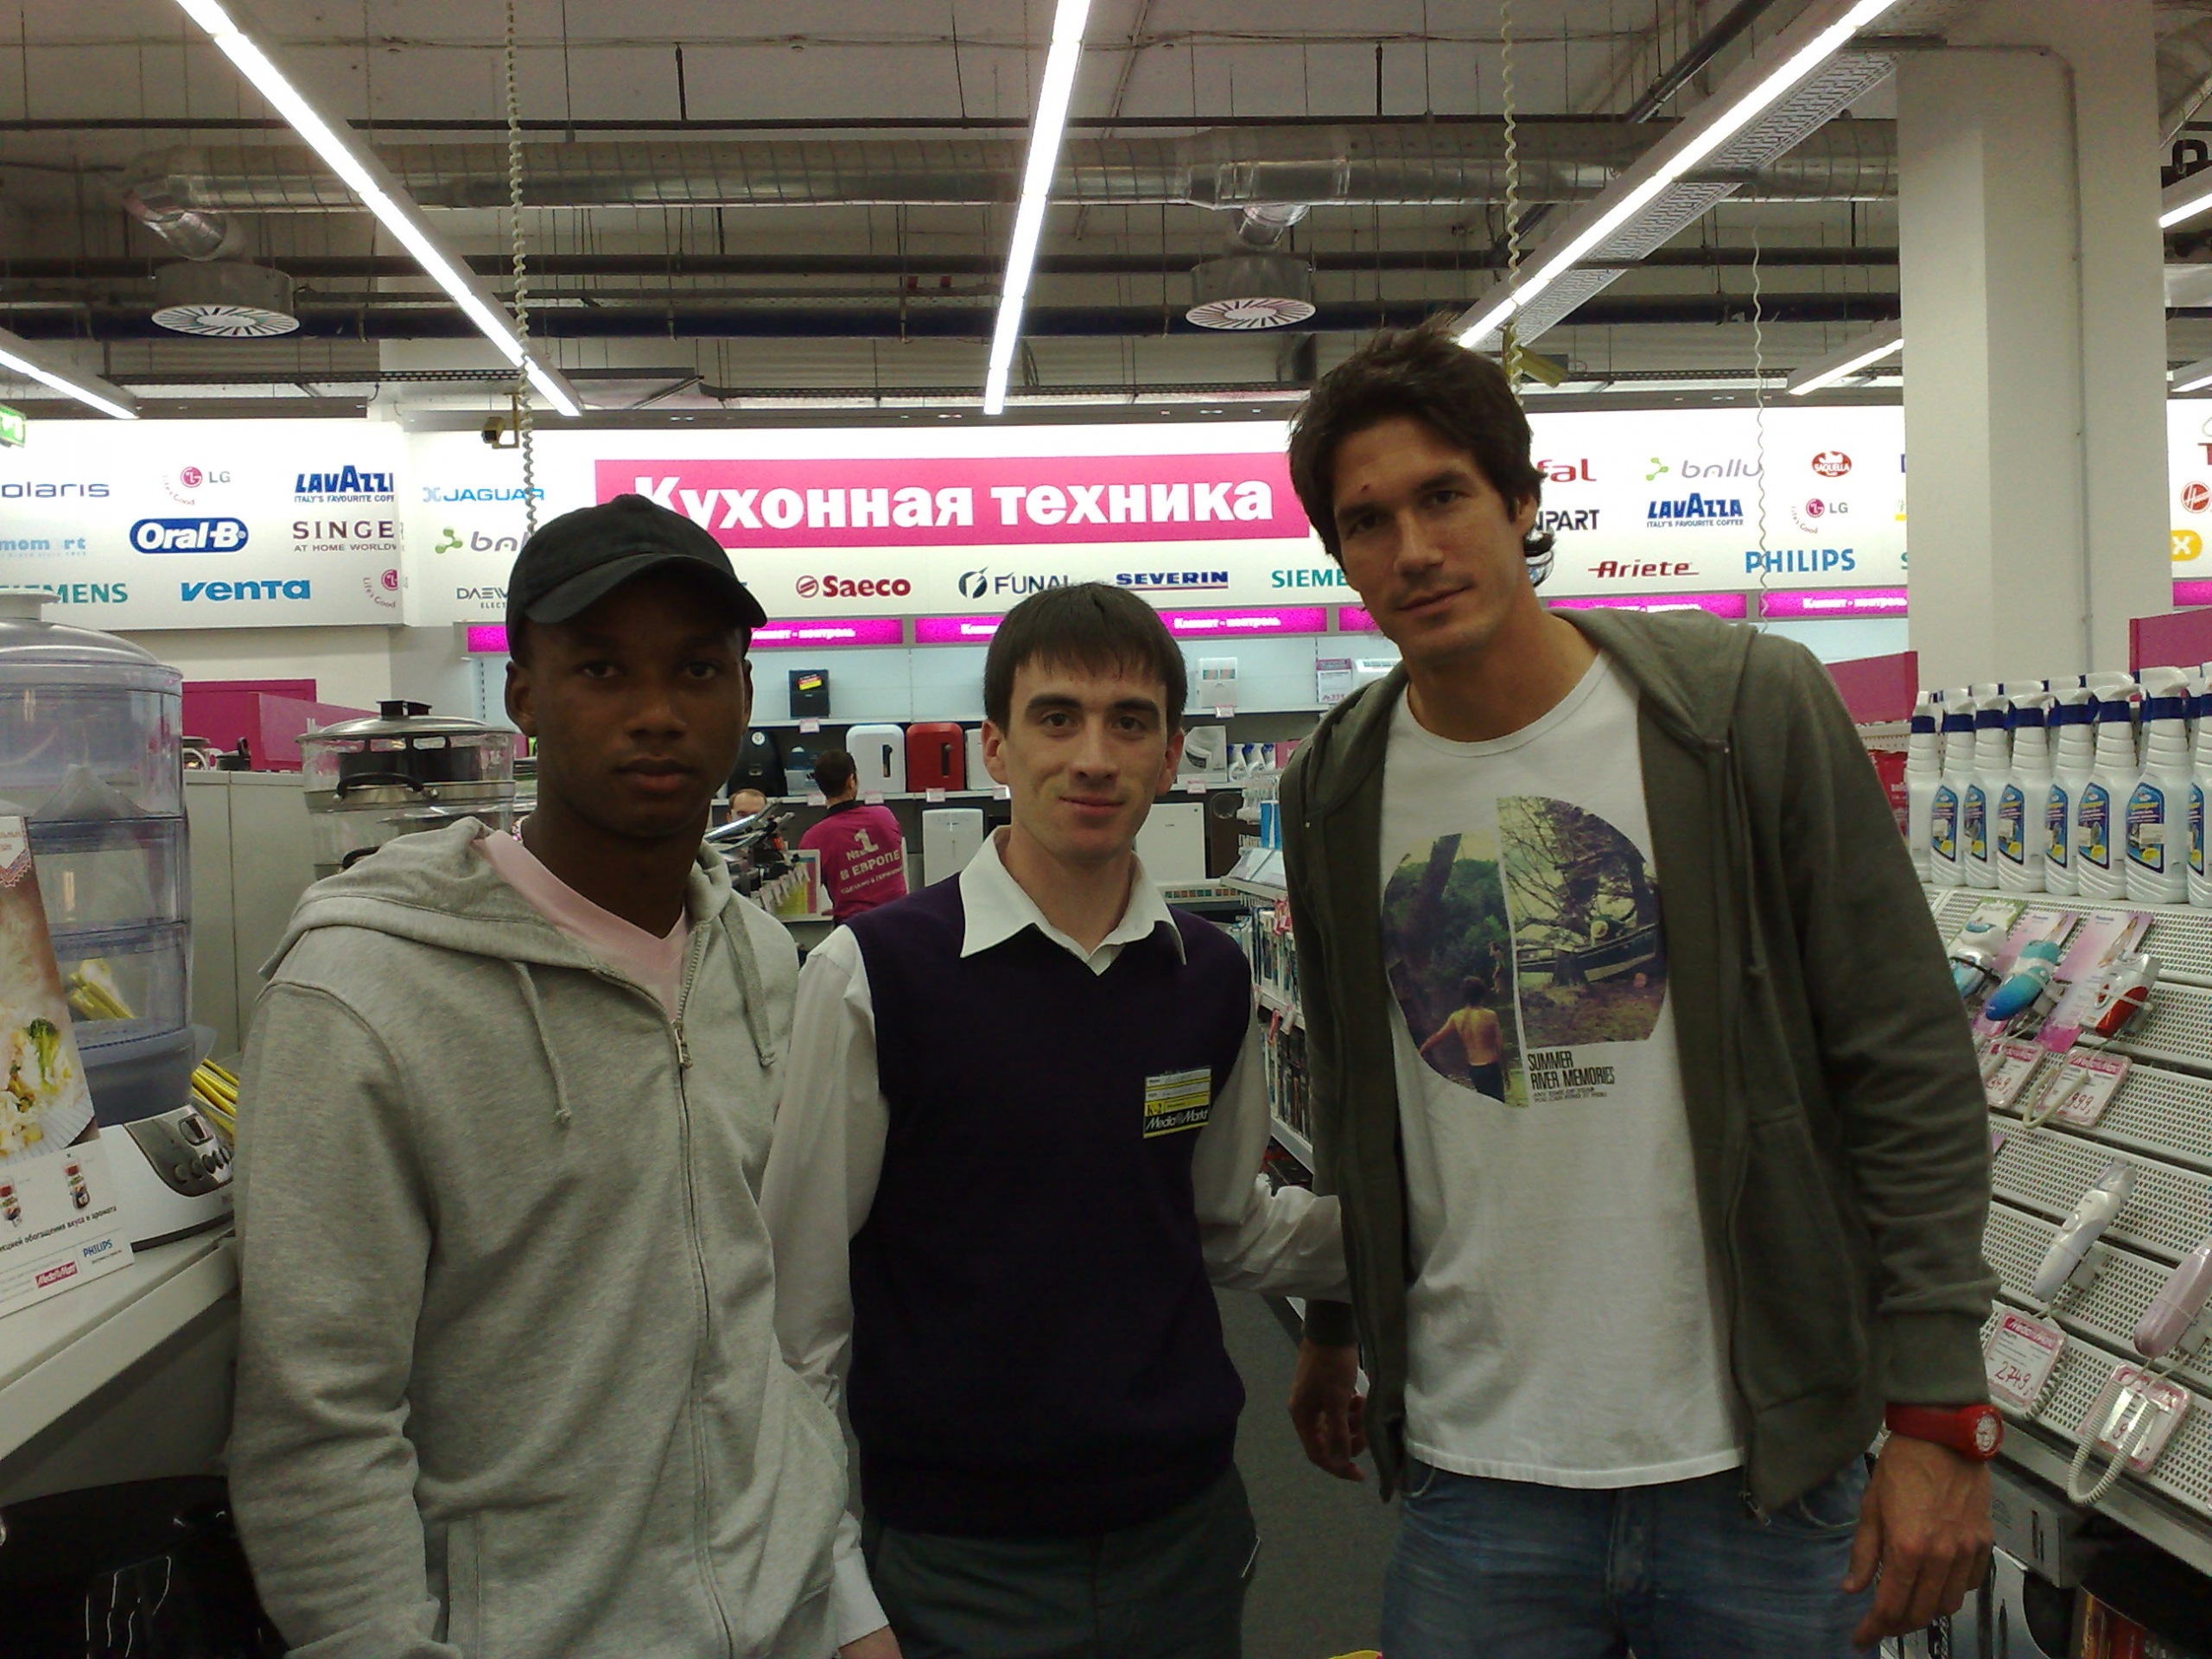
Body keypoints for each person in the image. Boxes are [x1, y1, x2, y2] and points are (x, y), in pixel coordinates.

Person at [1274, 321, 1999, 1658]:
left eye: (1444, 496)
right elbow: (1351, 1087)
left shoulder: (1740, 715)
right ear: (1339, 553)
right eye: (1367, 521)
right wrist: (1331, 1324)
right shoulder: (1333, 788)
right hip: (1475, 1476)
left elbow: (1908, 1067)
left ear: (1521, 500)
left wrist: (1941, 1410)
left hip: (1758, 1475)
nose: (1414, 549)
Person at [229, 494, 849, 1659]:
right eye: (602, 669)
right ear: (522, 695)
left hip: (790, 1614)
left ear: (744, 692)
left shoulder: (760, 965)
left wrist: (839, 1583)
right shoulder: (361, 994)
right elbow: (318, 1423)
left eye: (697, 669)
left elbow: (760, 1323)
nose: (657, 712)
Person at [761, 582, 1349, 1659]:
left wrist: (1424, 1228)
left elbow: (1223, 1227)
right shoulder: (873, 975)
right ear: (996, 745)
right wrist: (835, 1593)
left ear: (1169, 754)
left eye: (1129, 723)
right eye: (1056, 717)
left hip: (1184, 1535)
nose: (1093, 757)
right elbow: (799, 1319)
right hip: (956, 1558)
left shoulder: (1206, 977)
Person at [798, 748, 911, 921]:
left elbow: (806, 896)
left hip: (855, 927)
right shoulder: (885, 816)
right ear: (851, 781)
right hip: (900, 919)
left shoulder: (813, 839)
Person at [1418, 975, 1503, 1101]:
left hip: (1474, 1069)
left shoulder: (1456, 1017)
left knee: (1484, 1103)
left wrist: (1421, 1051)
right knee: (1499, 1104)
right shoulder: (1490, 1015)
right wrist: (1505, 1072)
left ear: (1464, 995)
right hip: (1491, 1066)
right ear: (1482, 994)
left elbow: (1437, 1037)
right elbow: (1500, 1045)